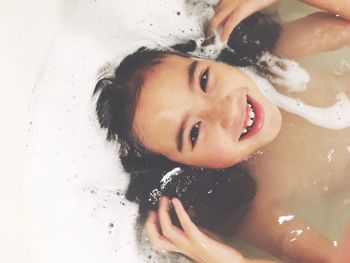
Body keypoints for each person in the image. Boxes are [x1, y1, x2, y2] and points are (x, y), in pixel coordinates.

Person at [93, 0, 350, 262]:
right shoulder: (252, 205)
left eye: (204, 80)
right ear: (191, 168)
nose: (227, 111)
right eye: (194, 132)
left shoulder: (276, 61)